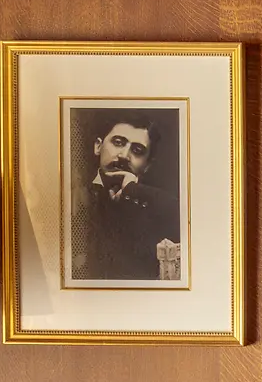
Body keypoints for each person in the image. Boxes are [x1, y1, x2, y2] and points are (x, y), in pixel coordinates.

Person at [68, 110, 182, 285]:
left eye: (137, 151)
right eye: (118, 143)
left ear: (147, 165)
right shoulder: (72, 199)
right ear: (98, 146)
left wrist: (133, 191)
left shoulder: (157, 206)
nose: (123, 156)